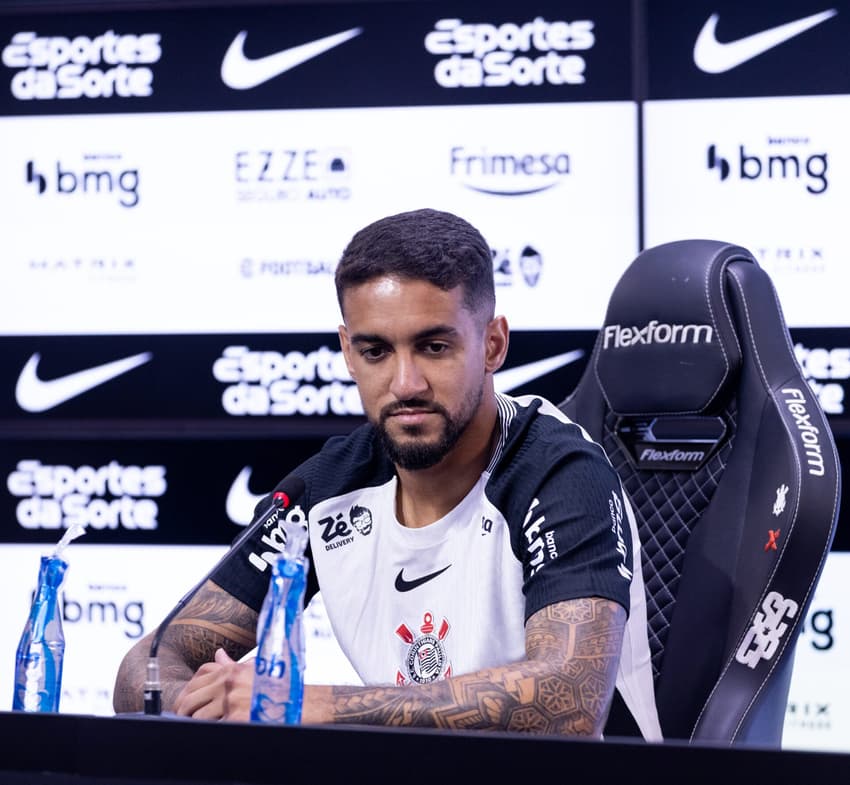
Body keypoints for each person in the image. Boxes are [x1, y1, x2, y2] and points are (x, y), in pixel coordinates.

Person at [113, 207, 661, 740]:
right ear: (348, 354)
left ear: (493, 344)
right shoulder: (325, 490)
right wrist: (204, 705)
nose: (405, 384)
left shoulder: (563, 475)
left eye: (434, 347)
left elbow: (569, 703)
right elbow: (150, 663)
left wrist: (307, 704)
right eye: (376, 351)